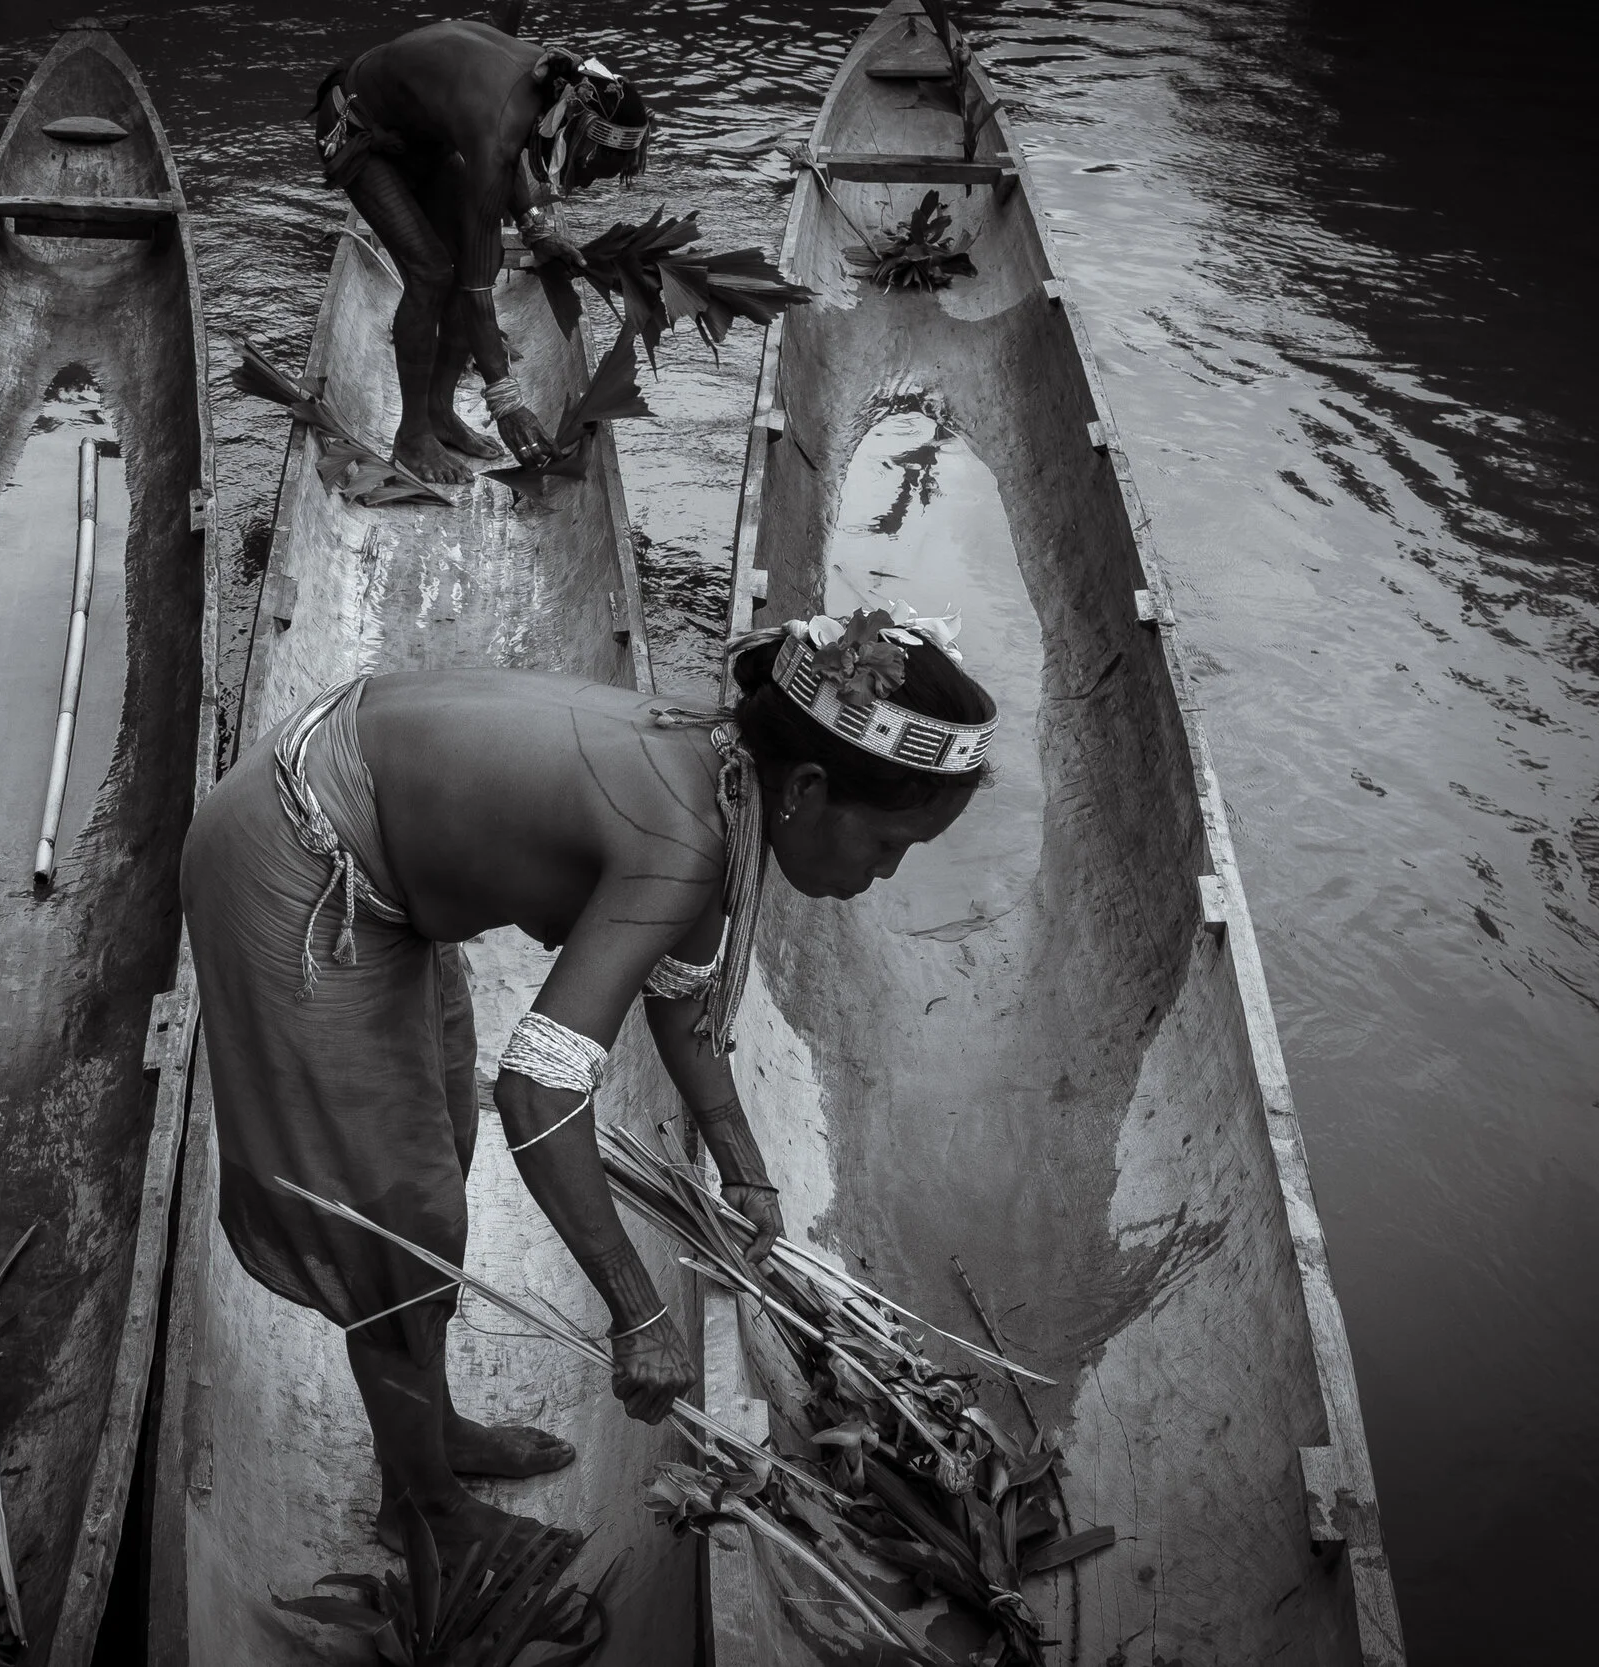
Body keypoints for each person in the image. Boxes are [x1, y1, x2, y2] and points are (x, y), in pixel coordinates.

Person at [179, 607, 999, 1551]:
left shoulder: (728, 777)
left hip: (373, 837)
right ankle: (421, 1509)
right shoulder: (687, 835)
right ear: (808, 788)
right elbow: (538, 1090)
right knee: (398, 1221)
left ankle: (433, 1432)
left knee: (436, 1146)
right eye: (889, 844)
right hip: (300, 851)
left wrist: (746, 1166)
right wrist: (637, 1310)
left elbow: (682, 995)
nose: (887, 872)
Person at [308, 17, 652, 484]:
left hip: (422, 132)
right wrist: (506, 400)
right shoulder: (500, 121)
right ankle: (411, 437)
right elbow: (476, 284)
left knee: (475, 260)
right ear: (578, 131)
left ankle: (438, 412)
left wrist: (535, 230)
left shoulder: (553, 84)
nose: (586, 182)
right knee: (433, 273)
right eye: (592, 169)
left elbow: (509, 150)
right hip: (358, 129)